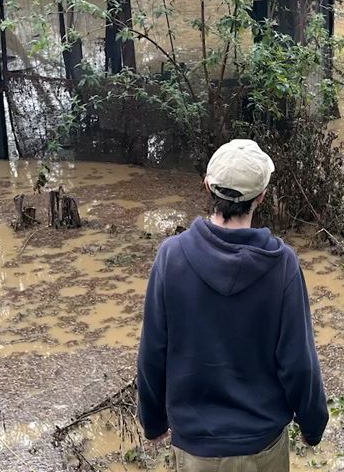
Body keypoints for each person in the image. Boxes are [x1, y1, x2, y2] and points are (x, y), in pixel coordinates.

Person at [137, 139, 328, 472]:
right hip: (262, 447)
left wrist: (153, 421)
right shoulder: (283, 265)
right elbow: (299, 363)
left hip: (196, 449)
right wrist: (313, 425)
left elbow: (153, 351)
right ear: (262, 196)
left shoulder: (171, 257)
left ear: (208, 186)